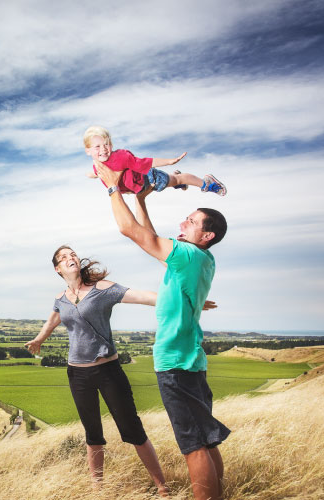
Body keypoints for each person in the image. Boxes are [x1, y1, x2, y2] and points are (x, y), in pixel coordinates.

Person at [25, 246, 212, 495]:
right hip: (78, 375)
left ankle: (162, 487)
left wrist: (184, 299)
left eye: (72, 254)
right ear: (57, 269)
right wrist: (38, 340)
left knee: (132, 429)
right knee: (92, 434)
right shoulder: (61, 298)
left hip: (108, 371)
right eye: (63, 257)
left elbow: (142, 296)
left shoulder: (102, 289)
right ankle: (98, 489)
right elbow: (52, 320)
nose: (70, 258)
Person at [94, 159, 230, 500]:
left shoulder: (186, 254)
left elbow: (133, 233)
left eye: (192, 221)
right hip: (192, 361)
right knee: (206, 440)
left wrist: (114, 188)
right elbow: (154, 241)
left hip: (176, 362)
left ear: (207, 234)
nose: (183, 222)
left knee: (193, 446)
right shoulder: (201, 258)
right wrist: (140, 199)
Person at [83, 125, 227, 196]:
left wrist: (169, 161)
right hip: (140, 188)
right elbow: (104, 173)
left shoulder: (121, 157)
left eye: (106, 144)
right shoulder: (98, 165)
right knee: (172, 181)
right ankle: (178, 180)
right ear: (88, 150)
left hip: (149, 178)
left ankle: (207, 182)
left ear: (111, 145)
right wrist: (93, 174)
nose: (103, 149)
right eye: (97, 147)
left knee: (177, 179)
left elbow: (146, 162)